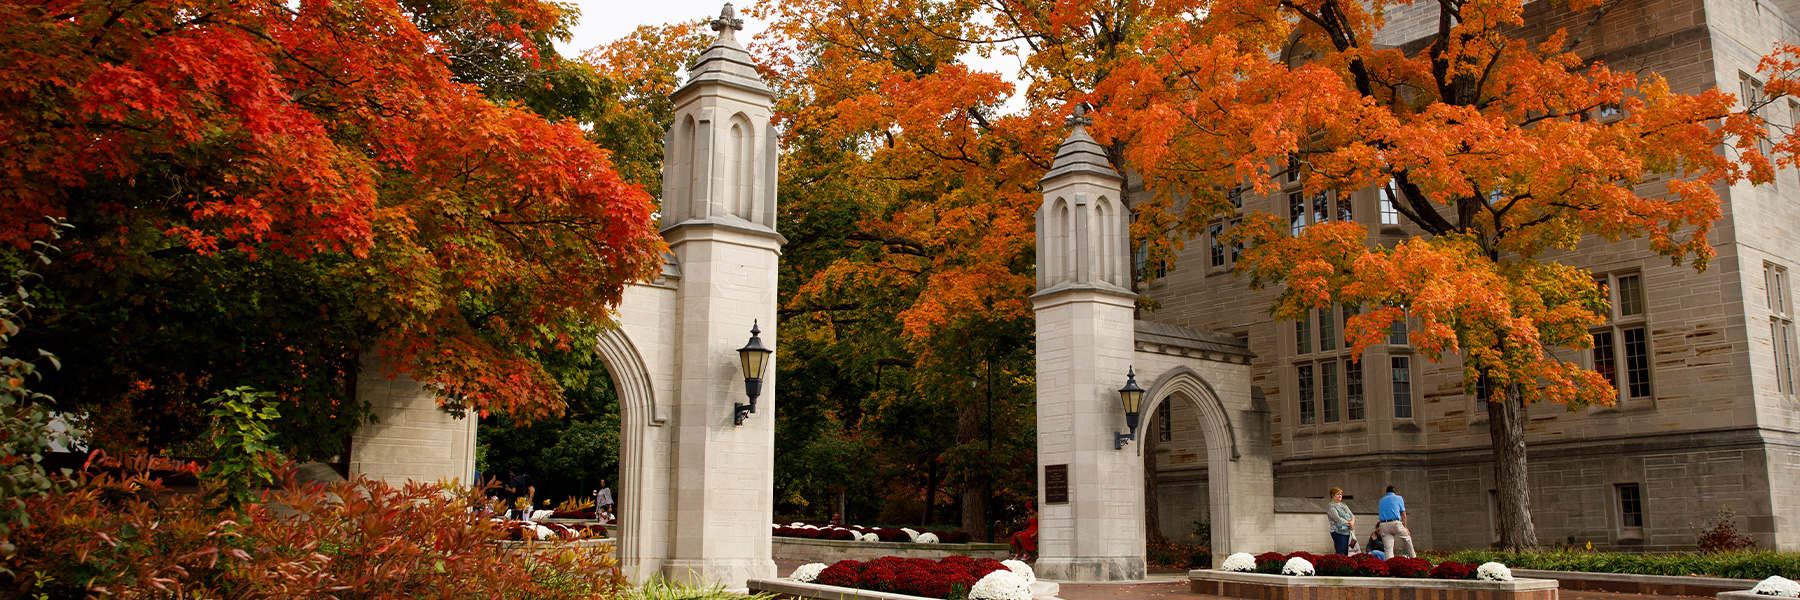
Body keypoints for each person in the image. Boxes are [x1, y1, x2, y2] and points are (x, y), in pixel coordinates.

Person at [1376, 485, 1417, 558]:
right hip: (1394, 522)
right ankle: (1413, 557)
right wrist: (1405, 527)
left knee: (1388, 548)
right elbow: (1403, 514)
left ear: (1386, 492)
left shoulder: (1381, 500)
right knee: (1407, 538)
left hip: (1383, 525)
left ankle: (1389, 564)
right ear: (1395, 493)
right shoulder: (1398, 498)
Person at [1326, 486, 1354, 555]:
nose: (1340, 496)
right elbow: (1337, 518)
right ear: (1332, 496)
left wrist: (1352, 523)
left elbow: (1351, 515)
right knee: (1341, 551)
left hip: (1348, 531)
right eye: (1338, 494)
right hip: (1338, 532)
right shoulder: (1331, 506)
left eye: (1341, 494)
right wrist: (1348, 523)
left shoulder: (1343, 505)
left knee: (1348, 552)